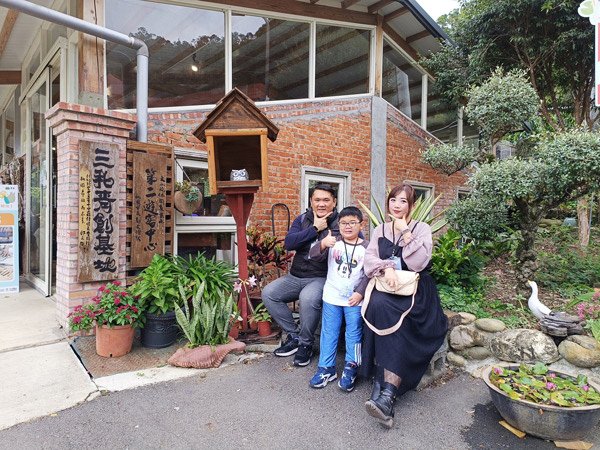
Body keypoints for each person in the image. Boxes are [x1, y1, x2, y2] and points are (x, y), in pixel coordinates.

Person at [360, 184, 447, 428]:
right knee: (377, 304)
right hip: (387, 288)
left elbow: (419, 263)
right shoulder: (380, 229)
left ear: (412, 206)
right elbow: (369, 260)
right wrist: (387, 268)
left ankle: (384, 392)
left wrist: (406, 232)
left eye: (403, 202)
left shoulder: (423, 229)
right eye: (393, 200)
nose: (397, 206)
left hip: (416, 292)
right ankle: (385, 395)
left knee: (393, 316)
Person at [262, 183, 339, 367]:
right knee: (269, 293)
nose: (321, 204)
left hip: (319, 277)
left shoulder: (338, 223)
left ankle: (306, 344)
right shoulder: (303, 219)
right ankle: (295, 336)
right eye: (317, 200)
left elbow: (326, 255)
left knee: (307, 298)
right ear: (311, 201)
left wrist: (307, 242)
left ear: (334, 202)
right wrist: (314, 229)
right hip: (295, 276)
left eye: (326, 200)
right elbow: (289, 243)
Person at [307, 206, 369, 392]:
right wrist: (323, 244)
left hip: (354, 300)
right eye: (343, 223)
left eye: (352, 223)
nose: (347, 227)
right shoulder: (333, 241)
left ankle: (352, 366)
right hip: (332, 297)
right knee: (329, 332)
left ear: (361, 224)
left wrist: (360, 292)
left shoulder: (367, 247)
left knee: (354, 333)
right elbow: (312, 255)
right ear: (338, 225)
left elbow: (369, 273)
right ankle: (326, 368)